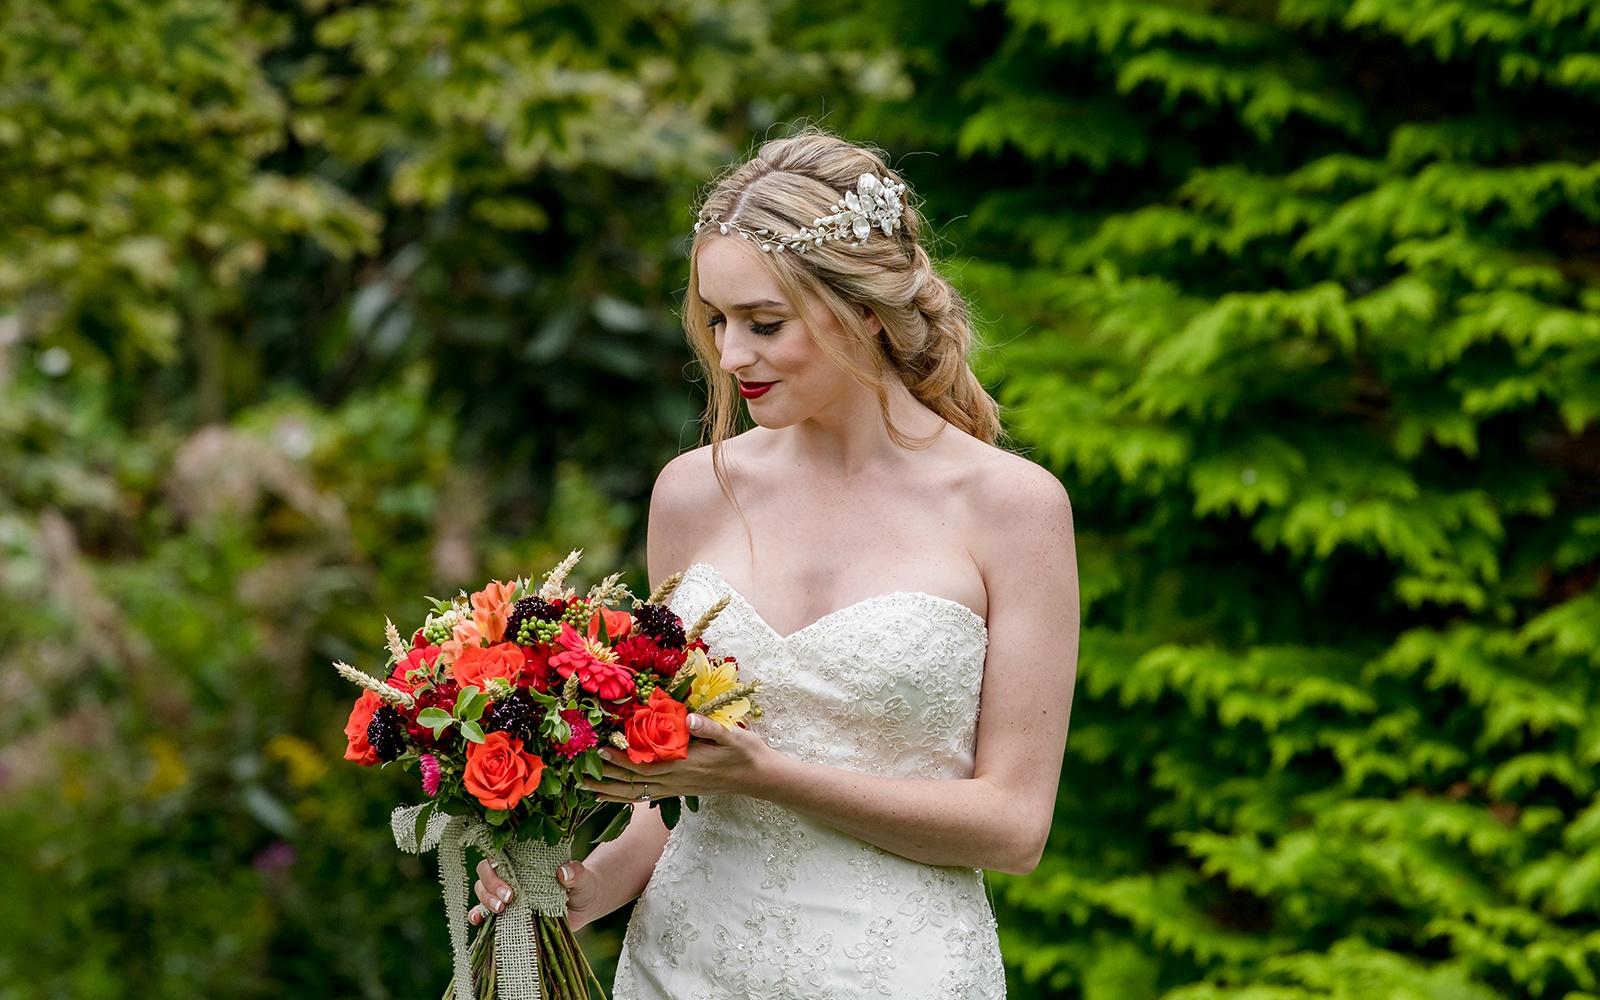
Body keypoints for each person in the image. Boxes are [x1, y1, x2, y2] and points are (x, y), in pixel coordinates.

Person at [469, 127, 1079, 998]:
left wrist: (772, 776)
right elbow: (665, 794)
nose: (730, 356)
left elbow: (1013, 827)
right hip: (683, 967)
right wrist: (588, 885)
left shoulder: (1013, 509)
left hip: (898, 972)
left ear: (866, 309)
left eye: (764, 323)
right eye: (717, 321)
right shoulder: (692, 493)